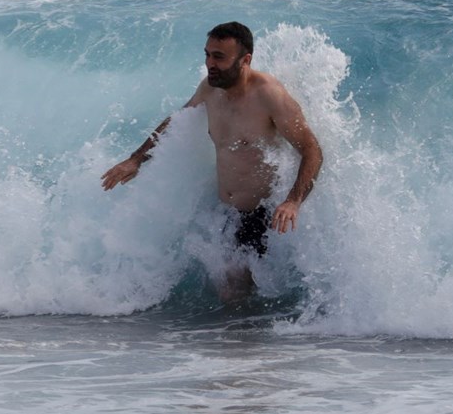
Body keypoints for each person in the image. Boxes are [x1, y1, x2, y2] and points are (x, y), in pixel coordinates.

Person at [100, 22, 323, 301]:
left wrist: (293, 201)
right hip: (224, 213)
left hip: (261, 215)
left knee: (234, 292)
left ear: (245, 60)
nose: (209, 63)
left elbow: (312, 149)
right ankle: (240, 341)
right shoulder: (210, 88)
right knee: (230, 293)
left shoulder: (269, 95)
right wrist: (136, 160)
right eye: (207, 54)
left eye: (219, 57)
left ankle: (246, 343)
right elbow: (177, 122)